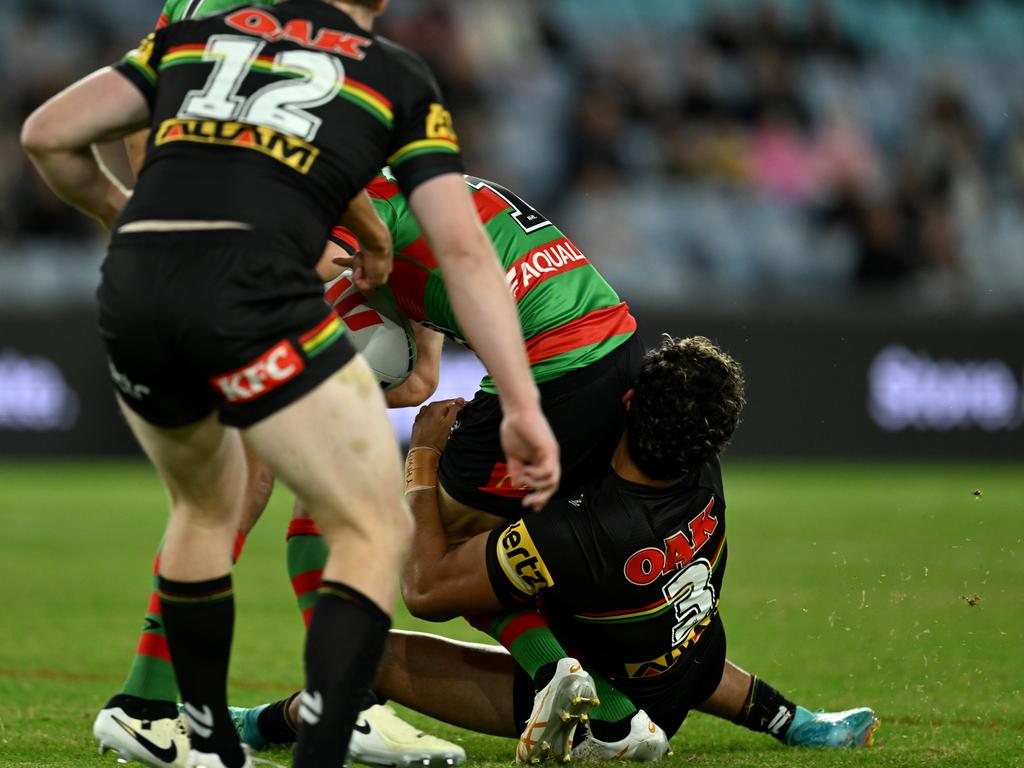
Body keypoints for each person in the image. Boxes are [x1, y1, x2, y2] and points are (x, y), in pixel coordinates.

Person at [21, 2, 559, 768]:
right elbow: (463, 252)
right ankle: (334, 727)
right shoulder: (390, 72)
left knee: (207, 503)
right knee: (371, 522)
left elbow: (46, 134)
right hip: (256, 285)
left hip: (137, 284)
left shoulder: (200, 29)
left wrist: (127, 213)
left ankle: (192, 731)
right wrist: (521, 398)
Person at [229, 337, 877, 761]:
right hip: (687, 657)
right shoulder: (702, 468)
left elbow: (427, 589)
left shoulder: (576, 530)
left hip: (607, 681)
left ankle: (257, 725)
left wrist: (423, 460)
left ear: (627, 403)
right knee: (664, 629)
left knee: (375, 638)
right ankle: (793, 721)